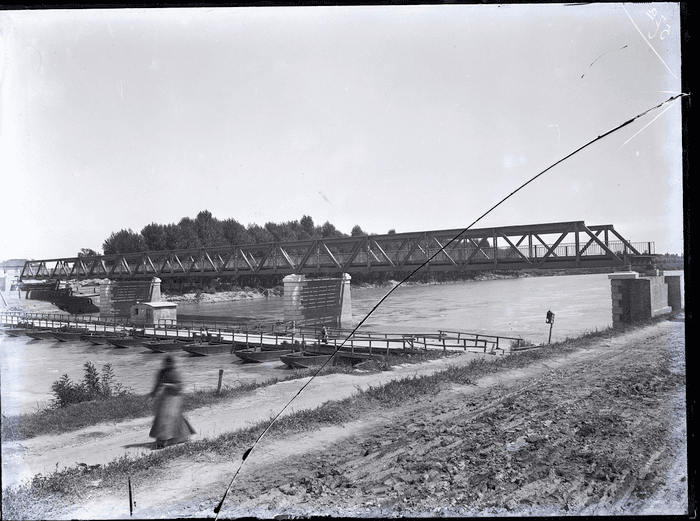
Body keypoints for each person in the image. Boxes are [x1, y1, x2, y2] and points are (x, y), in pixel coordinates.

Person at [149, 356, 195, 449]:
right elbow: (157, 384)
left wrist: (167, 385)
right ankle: (166, 438)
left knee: (169, 417)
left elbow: (179, 387)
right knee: (165, 417)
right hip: (166, 397)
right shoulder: (161, 372)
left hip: (175, 397)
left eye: (169, 363)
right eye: (166, 363)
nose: (167, 365)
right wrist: (152, 394)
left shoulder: (175, 373)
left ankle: (166, 439)